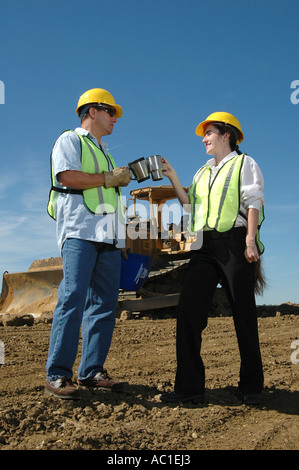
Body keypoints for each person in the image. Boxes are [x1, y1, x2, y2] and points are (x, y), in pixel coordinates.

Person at [160, 111, 266, 406]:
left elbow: (253, 201)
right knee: (188, 311)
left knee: (243, 314)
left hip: (235, 243)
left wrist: (249, 241)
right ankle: (189, 388)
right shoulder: (202, 172)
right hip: (204, 246)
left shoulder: (245, 163)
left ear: (226, 135)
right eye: (204, 135)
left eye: (209, 133)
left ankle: (251, 386)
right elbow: (189, 204)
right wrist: (173, 177)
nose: (204, 139)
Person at [45, 88, 132, 399]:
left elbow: (112, 198)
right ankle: (57, 374)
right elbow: (66, 177)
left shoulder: (105, 151)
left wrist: (120, 236)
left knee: (104, 305)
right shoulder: (69, 140)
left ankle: (92, 371)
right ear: (92, 112)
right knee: (72, 299)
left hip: (108, 236)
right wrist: (108, 178)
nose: (114, 119)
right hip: (79, 232)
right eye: (110, 112)